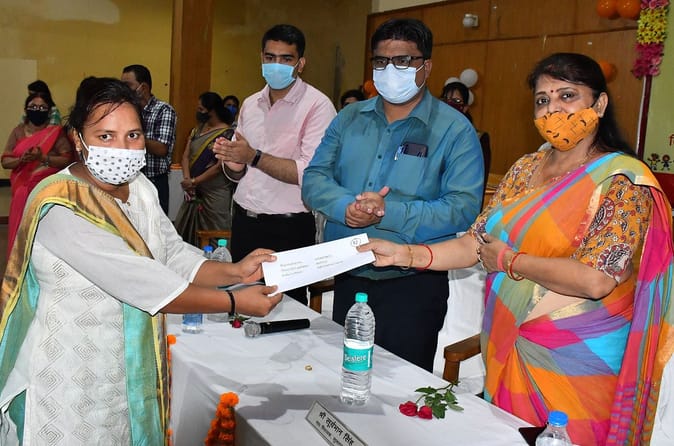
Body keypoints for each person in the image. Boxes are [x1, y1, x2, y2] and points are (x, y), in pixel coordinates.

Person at [358, 53, 673, 445]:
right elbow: (476, 242)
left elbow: (596, 280)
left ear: (600, 103)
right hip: (508, 344)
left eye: (567, 95)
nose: (553, 109)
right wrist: (406, 254)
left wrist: (510, 261)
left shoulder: (623, 180)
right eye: (542, 100)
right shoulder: (526, 168)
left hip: (579, 359)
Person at [0, 77, 281, 444]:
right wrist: (233, 301)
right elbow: (144, 281)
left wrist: (235, 271)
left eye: (132, 135)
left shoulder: (140, 187)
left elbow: (170, 251)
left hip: (124, 366)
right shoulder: (61, 205)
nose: (122, 148)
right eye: (105, 136)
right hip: (70, 374)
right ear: (77, 139)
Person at [302, 18, 484, 371]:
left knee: (401, 387)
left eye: (402, 61)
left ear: (426, 66)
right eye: (381, 61)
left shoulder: (455, 130)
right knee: (347, 376)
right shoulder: (349, 118)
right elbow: (314, 178)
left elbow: (462, 208)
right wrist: (346, 207)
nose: (390, 70)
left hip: (413, 284)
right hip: (349, 272)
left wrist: (388, 211)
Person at [212, 24, 336, 305]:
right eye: (270, 57)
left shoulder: (318, 106)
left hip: (288, 228)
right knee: (241, 303)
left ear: (300, 64)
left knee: (287, 310)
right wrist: (232, 161)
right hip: (245, 220)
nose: (276, 65)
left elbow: (309, 173)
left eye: (286, 58)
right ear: (261, 58)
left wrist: (253, 157)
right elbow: (239, 170)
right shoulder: (250, 103)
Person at [2, 91, 73, 255]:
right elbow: (5, 161)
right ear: (26, 109)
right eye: (33, 106)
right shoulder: (18, 131)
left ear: (49, 111)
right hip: (21, 190)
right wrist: (21, 160)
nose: (37, 110)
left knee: (43, 234)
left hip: (45, 192)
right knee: (21, 228)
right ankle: (19, 261)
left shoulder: (55, 132)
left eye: (42, 107)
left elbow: (67, 160)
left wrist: (43, 158)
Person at [174, 92, 236, 246]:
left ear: (212, 110)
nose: (198, 112)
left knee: (216, 234)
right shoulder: (197, 130)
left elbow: (219, 167)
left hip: (215, 193)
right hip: (192, 191)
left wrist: (194, 181)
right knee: (186, 232)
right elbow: (186, 156)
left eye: (201, 109)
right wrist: (188, 180)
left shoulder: (227, 134)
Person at [121, 64, 177, 214]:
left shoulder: (163, 110)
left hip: (155, 180)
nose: (124, 90)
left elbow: (161, 148)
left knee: (156, 224)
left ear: (143, 87)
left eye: (128, 85)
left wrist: (132, 136)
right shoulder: (127, 110)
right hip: (128, 179)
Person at [441, 81, 491, 188]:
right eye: (445, 99)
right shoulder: (434, 133)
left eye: (456, 101)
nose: (449, 104)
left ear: (465, 108)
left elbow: (480, 180)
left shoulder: (478, 138)